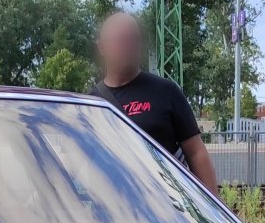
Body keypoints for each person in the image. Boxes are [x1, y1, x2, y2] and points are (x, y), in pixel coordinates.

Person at [90, 11, 220, 193]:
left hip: (166, 210)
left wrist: (213, 211)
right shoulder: (90, 103)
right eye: (119, 39)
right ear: (102, 47)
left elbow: (196, 152)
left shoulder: (166, 91)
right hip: (114, 211)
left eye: (132, 38)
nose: (127, 45)